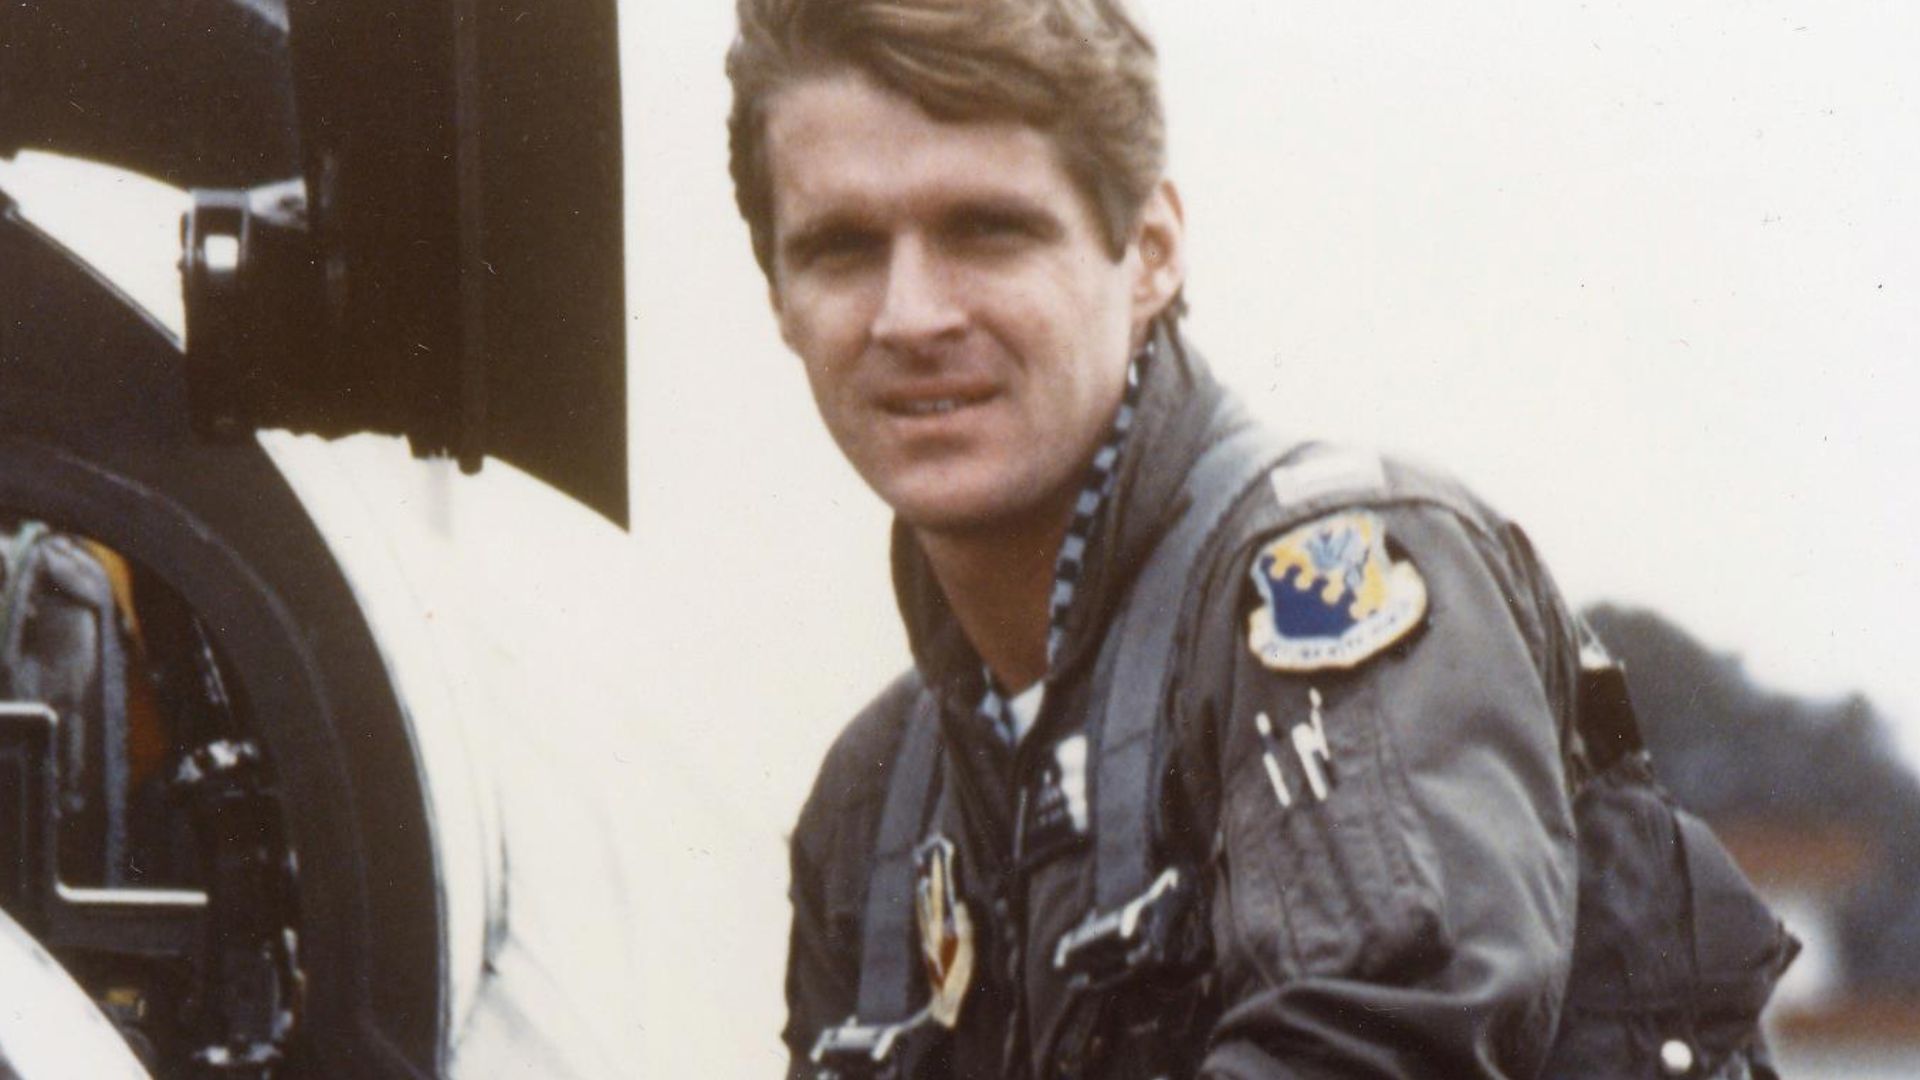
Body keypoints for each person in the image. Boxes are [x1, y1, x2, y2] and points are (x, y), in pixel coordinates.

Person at [724, 2, 1786, 1077]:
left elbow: (1377, 1044)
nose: (910, 316)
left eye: (986, 231)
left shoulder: (1333, 588)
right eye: (842, 248)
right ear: (778, 297)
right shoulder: (872, 804)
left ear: (1150, 253)